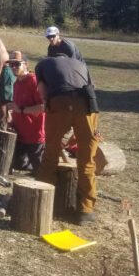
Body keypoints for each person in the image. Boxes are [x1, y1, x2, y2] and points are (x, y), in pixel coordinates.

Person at [34, 55, 100, 225]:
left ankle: (41, 198)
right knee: (87, 161)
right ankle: (86, 210)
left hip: (59, 100)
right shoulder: (81, 63)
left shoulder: (42, 65)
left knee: (50, 153)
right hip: (87, 103)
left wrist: (53, 112)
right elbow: (90, 89)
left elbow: (43, 94)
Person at [4, 51, 45, 172]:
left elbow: (43, 107)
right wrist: (11, 122)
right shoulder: (17, 83)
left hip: (35, 135)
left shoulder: (34, 81)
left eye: (17, 64)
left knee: (40, 171)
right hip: (20, 134)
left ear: (26, 65)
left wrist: (20, 110)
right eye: (11, 65)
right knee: (18, 165)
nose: (14, 68)